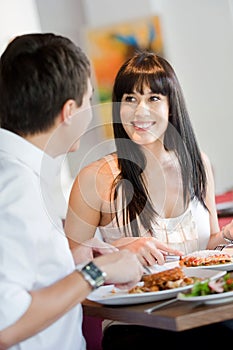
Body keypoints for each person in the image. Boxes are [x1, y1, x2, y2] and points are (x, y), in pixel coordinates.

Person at [65, 50, 233, 349]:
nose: (139, 111)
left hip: (203, 313)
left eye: (153, 98)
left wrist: (227, 236)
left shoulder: (197, 163)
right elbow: (65, 264)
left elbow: (205, 249)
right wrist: (115, 247)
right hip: (137, 326)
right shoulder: (95, 177)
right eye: (130, 98)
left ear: (171, 107)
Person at [0, 33, 146, 350]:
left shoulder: (17, 172)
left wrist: (74, 265)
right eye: (89, 100)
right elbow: (5, 323)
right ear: (69, 112)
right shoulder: (16, 186)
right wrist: (96, 271)